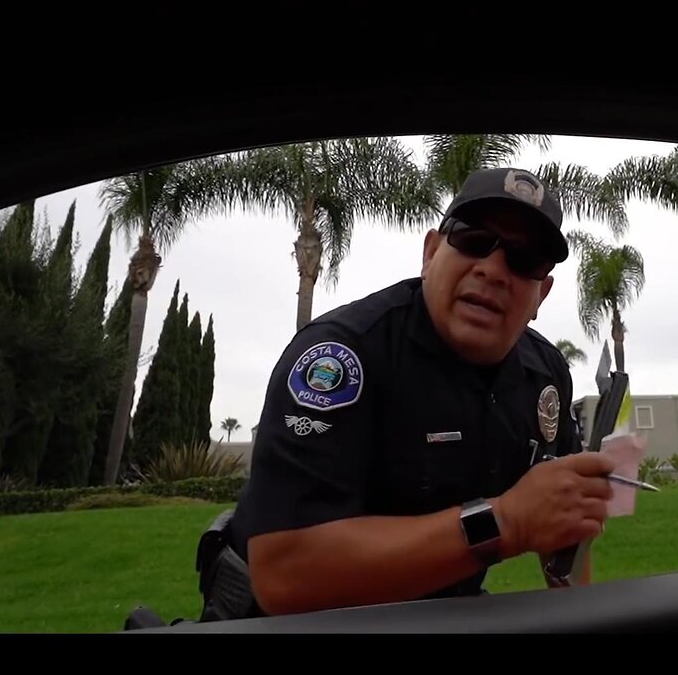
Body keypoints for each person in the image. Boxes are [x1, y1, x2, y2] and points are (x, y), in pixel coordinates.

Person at [230, 167, 616, 616]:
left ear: (541, 294)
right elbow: (284, 574)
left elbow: (566, 525)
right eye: (473, 239)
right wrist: (504, 522)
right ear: (431, 253)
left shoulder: (544, 373)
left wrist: (582, 614)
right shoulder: (344, 354)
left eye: (523, 259)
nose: (492, 269)